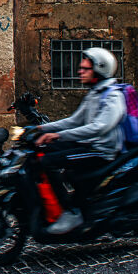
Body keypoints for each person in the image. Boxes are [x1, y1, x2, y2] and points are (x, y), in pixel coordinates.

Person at [35, 47, 126, 235]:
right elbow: (74, 120)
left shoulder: (113, 95)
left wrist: (59, 135)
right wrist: (41, 129)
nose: (80, 71)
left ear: (100, 70)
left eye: (85, 68)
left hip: (102, 151)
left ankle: (72, 212)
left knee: (48, 162)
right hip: (90, 144)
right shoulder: (94, 93)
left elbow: (99, 127)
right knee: (46, 150)